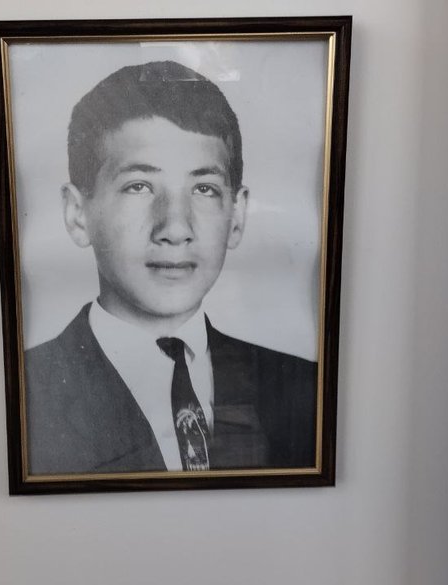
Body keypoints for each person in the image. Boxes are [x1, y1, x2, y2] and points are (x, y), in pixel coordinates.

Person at [24, 60, 317, 475]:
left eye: (204, 189)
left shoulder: (304, 387)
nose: (176, 229)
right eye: (139, 186)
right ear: (77, 214)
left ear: (236, 215)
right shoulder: (28, 390)